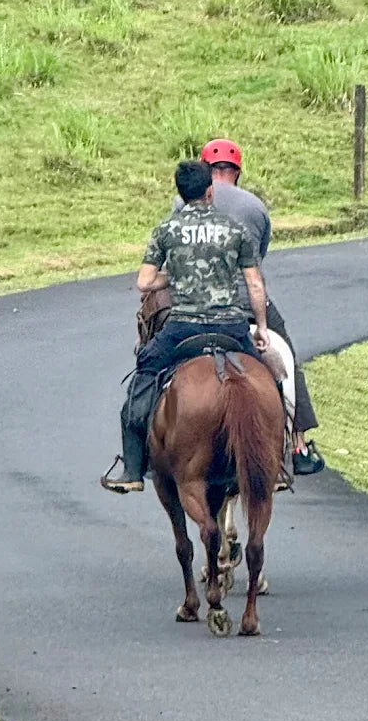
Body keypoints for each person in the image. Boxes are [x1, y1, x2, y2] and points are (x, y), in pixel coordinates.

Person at [101, 159, 269, 493]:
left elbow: (145, 282)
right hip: (231, 326)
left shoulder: (166, 230)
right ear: (210, 192)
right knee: (268, 382)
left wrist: (176, 275)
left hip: (183, 328)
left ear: (181, 193)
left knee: (143, 374)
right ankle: (279, 463)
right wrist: (261, 327)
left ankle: (132, 470)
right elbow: (254, 285)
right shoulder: (234, 228)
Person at [193, 139, 324, 475]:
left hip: (193, 302)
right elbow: (258, 256)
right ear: (237, 172)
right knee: (287, 357)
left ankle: (143, 445)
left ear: (204, 169)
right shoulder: (254, 207)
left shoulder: (185, 201)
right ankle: (299, 443)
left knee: (151, 361)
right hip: (244, 303)